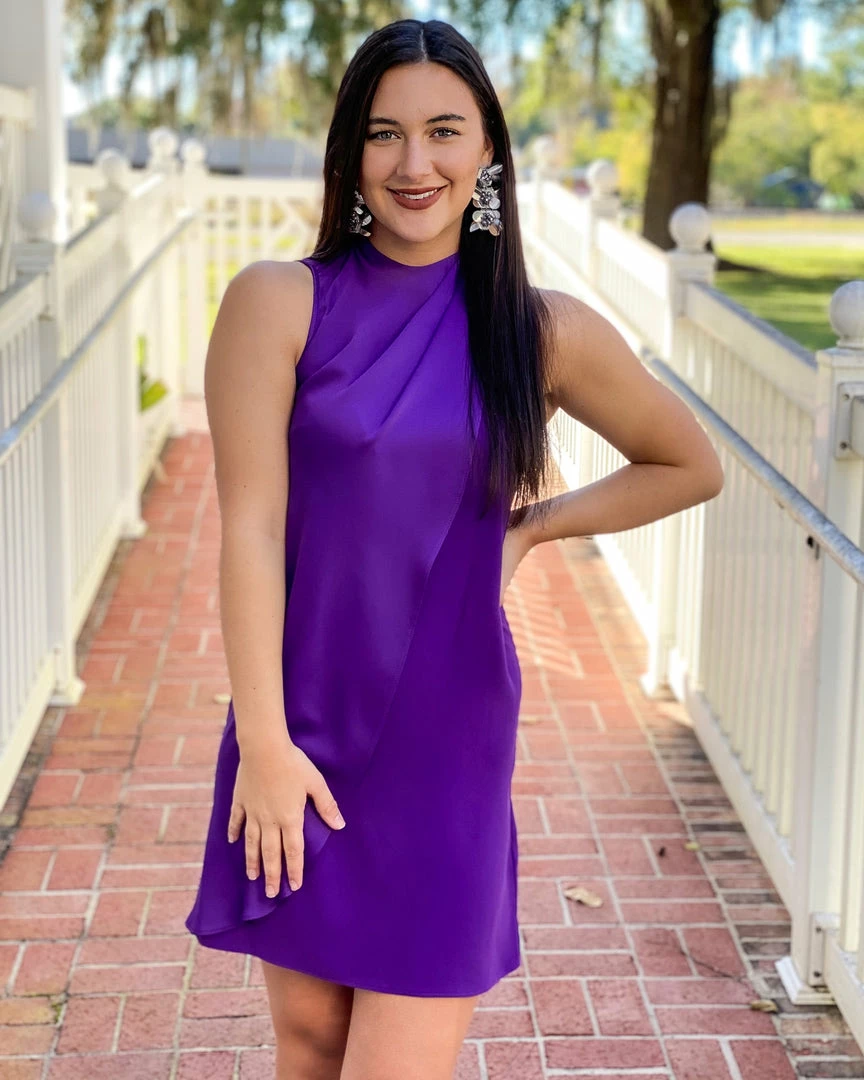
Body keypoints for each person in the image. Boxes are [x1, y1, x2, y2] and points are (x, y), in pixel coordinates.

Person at [184, 16, 724, 1080]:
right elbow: (249, 527)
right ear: (350, 152)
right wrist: (266, 745)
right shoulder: (277, 303)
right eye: (384, 133)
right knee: (309, 1041)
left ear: (487, 152)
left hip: (446, 738)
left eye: (444, 131)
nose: (414, 163)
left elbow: (688, 463)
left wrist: (533, 529)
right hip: (298, 717)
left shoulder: (539, 330)